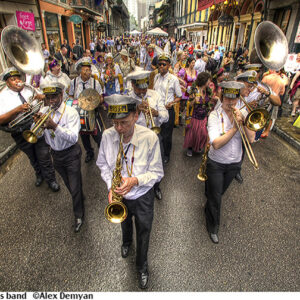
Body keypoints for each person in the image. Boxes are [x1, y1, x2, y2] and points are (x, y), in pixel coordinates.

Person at [96, 94, 164, 289]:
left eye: (124, 123)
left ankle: (142, 266)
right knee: (124, 223)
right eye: (115, 123)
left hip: (142, 196)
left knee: (144, 232)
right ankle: (126, 242)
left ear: (135, 116)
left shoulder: (150, 137)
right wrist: (111, 186)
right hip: (119, 195)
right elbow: (102, 164)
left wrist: (135, 180)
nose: (119, 129)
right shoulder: (108, 136)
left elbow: (157, 172)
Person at [205, 81, 255, 244]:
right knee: (216, 197)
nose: (231, 103)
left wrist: (244, 123)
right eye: (227, 99)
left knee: (218, 193)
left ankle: (209, 204)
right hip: (216, 163)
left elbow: (251, 139)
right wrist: (234, 128)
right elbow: (216, 143)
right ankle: (213, 226)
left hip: (234, 163)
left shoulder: (243, 112)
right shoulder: (214, 115)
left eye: (234, 99)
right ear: (222, 97)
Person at [0, 67, 59, 191]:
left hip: (36, 126)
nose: (17, 81)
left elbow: (45, 101)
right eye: (13, 79)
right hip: (19, 131)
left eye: (18, 78)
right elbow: (1, 119)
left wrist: (42, 97)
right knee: (32, 156)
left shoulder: (29, 88)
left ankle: (51, 179)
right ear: (7, 82)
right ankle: (39, 174)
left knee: (44, 155)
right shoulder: (3, 97)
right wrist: (17, 109)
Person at [39, 81, 85, 232]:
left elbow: (73, 137)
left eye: (54, 97)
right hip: (56, 154)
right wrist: (37, 126)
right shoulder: (44, 110)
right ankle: (79, 198)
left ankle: (79, 215)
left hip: (71, 153)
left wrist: (55, 126)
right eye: (48, 97)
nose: (51, 101)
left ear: (61, 95)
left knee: (75, 186)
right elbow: (41, 135)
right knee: (69, 183)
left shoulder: (71, 112)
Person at [127, 67, 168, 200]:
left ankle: (156, 187)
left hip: (154, 134)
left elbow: (166, 116)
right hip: (135, 137)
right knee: (138, 165)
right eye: (139, 88)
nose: (143, 91)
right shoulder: (127, 99)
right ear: (133, 84)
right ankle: (140, 188)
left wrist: (156, 113)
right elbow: (122, 124)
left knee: (159, 163)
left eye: (145, 88)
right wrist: (136, 111)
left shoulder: (155, 95)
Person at [68, 57, 104, 163]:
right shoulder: (74, 82)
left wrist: (96, 101)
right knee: (84, 136)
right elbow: (70, 96)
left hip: (93, 112)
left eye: (89, 69)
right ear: (80, 71)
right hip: (79, 114)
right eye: (86, 69)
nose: (88, 72)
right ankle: (89, 152)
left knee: (98, 136)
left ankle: (102, 154)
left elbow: (101, 97)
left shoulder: (95, 83)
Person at [154, 53, 182, 164]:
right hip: (157, 110)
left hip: (168, 110)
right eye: (159, 64)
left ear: (169, 65)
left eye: (163, 64)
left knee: (167, 135)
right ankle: (157, 153)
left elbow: (179, 96)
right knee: (156, 133)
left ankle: (166, 154)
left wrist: (172, 103)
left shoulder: (173, 79)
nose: (161, 66)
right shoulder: (156, 76)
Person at [184, 72, 212, 157]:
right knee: (193, 133)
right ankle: (190, 147)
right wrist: (194, 100)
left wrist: (209, 108)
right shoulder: (195, 90)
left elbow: (208, 101)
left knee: (203, 133)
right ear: (204, 81)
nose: (210, 82)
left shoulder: (207, 91)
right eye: (208, 80)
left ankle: (199, 146)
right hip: (195, 116)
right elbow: (189, 104)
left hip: (204, 116)